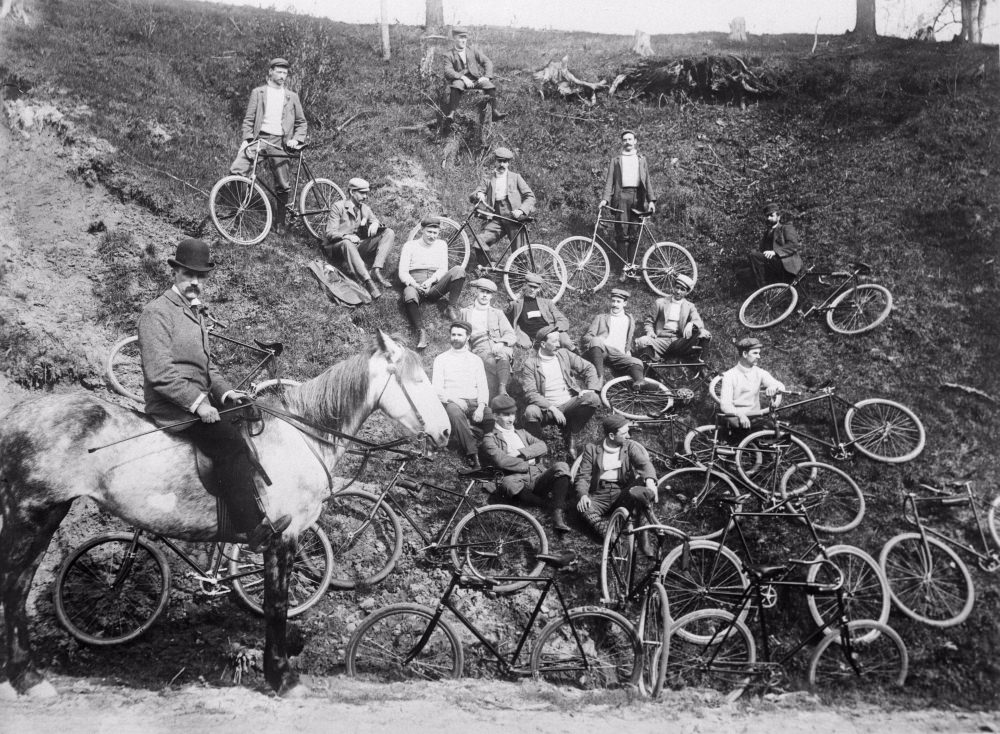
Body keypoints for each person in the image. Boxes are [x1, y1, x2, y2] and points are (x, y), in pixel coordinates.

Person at [138, 239, 291, 549]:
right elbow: (159, 374)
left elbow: (208, 369)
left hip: (198, 402)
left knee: (250, 419)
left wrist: (225, 395)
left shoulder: (195, 314)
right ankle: (250, 528)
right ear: (175, 273)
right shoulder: (157, 313)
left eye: (201, 276)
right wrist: (197, 405)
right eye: (188, 274)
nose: (195, 282)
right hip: (172, 407)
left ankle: (246, 499)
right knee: (230, 442)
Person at [229, 57, 307, 235]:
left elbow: (302, 123)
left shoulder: (292, 97)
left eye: (285, 73)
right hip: (259, 139)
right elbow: (248, 120)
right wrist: (248, 140)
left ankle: (280, 222)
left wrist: (296, 139)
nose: (282, 76)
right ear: (270, 72)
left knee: (282, 184)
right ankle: (236, 211)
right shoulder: (259, 93)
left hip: (280, 142)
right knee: (236, 170)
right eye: (279, 72)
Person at [480, 395, 571, 532]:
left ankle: (557, 515)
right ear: (495, 415)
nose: (511, 419)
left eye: (512, 414)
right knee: (508, 484)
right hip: (516, 479)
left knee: (562, 466)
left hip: (537, 475)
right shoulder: (490, 439)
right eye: (506, 415)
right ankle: (547, 505)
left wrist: (520, 453)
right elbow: (501, 461)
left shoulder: (521, 432)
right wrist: (526, 463)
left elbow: (542, 446)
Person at [518, 325, 601, 458]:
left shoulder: (564, 354)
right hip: (546, 410)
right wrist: (552, 408)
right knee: (530, 411)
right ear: (543, 344)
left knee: (593, 398)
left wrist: (590, 389)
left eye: (559, 340)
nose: (559, 344)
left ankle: (571, 433)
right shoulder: (530, 364)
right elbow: (530, 393)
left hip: (568, 404)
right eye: (555, 341)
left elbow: (589, 367)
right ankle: (537, 448)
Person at [574, 414, 658, 538]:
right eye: (624, 433)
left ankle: (643, 532)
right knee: (584, 507)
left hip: (623, 492)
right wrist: (583, 495)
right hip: (599, 494)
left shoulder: (629, 446)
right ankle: (609, 535)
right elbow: (583, 476)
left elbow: (644, 464)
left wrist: (650, 481)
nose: (628, 436)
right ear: (612, 436)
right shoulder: (591, 449)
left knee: (643, 482)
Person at [398, 216, 468, 350]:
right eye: (429, 232)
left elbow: (443, 268)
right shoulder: (410, 246)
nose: (432, 236)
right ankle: (421, 331)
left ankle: (450, 308)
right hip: (415, 282)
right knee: (408, 293)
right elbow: (403, 272)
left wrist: (431, 281)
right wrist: (414, 284)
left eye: (435, 233)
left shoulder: (441, 245)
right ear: (422, 230)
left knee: (459, 270)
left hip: (435, 284)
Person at [320, 177, 395, 299]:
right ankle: (368, 281)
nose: (365, 196)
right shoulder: (338, 207)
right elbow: (330, 233)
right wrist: (347, 236)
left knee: (389, 233)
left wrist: (375, 223)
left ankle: (376, 270)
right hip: (338, 247)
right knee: (347, 243)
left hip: (357, 246)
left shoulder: (364, 208)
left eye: (366, 193)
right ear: (351, 192)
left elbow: (374, 219)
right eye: (362, 193)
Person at [431, 321, 493, 468]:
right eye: (453, 335)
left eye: (460, 335)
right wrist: (455, 400)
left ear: (468, 337)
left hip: (474, 402)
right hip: (452, 402)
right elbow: (436, 388)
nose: (456, 338)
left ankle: (490, 450)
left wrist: (481, 406)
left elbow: (483, 386)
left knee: (489, 416)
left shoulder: (476, 360)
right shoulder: (441, 359)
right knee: (455, 413)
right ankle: (473, 455)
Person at [470, 147, 535, 264]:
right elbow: (475, 193)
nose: (502, 164)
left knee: (519, 252)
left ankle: (524, 279)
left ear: (508, 163)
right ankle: (487, 269)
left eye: (505, 162)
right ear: (495, 161)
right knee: (480, 240)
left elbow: (530, 196)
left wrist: (521, 210)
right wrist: (479, 193)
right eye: (499, 161)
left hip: (514, 218)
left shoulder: (516, 177)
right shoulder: (488, 179)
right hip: (496, 217)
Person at [599, 130, 656, 260]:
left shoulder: (641, 159)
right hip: (621, 197)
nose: (627, 142)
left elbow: (647, 181)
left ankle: (631, 265)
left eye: (630, 139)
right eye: (625, 140)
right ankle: (623, 268)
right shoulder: (616, 160)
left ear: (635, 141)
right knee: (621, 231)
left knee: (634, 232)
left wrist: (651, 200)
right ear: (622, 142)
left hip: (638, 198)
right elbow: (609, 182)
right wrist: (605, 199)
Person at [633, 273, 712, 362]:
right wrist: (650, 332)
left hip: (678, 341)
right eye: (677, 287)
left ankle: (701, 364)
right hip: (660, 340)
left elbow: (699, 322)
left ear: (686, 292)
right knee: (643, 341)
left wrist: (691, 323)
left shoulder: (689, 306)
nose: (678, 291)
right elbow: (649, 322)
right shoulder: (660, 303)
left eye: (682, 289)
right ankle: (653, 362)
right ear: (673, 287)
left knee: (704, 333)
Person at [719, 337, 786, 439]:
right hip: (736, 417)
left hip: (755, 417)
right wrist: (740, 415)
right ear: (745, 354)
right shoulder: (729, 375)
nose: (759, 356)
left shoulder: (759, 372)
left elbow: (781, 386)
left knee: (772, 431)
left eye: (759, 353)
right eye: (755, 353)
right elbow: (725, 404)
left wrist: (773, 387)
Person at [459, 278, 516, 397]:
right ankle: (502, 390)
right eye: (482, 291)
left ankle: (502, 389)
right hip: (478, 346)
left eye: (488, 293)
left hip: (497, 345)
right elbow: (460, 334)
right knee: (492, 364)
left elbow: (510, 334)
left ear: (491, 296)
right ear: (477, 292)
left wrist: (501, 343)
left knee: (503, 356)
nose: (485, 295)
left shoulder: (497, 313)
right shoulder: (465, 312)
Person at [581, 287, 645, 386]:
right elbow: (586, 337)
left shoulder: (629, 320)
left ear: (625, 304)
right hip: (603, 350)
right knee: (596, 340)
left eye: (618, 302)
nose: (615, 304)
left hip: (618, 354)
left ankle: (639, 382)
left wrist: (628, 350)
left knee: (637, 361)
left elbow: (628, 339)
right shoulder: (601, 317)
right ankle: (599, 377)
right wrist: (597, 340)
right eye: (613, 301)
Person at [442, 26, 506, 123]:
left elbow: (487, 62)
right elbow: (448, 71)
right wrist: (462, 77)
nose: (463, 40)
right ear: (454, 38)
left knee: (489, 85)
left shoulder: (472, 50)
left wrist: (486, 76)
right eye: (460, 38)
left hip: (475, 79)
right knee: (456, 85)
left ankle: (494, 112)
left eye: (465, 38)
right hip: (460, 80)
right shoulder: (448, 54)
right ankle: (452, 113)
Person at [506, 272, 575, 351]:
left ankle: (580, 359)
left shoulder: (547, 302)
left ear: (539, 289)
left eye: (535, 287)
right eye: (530, 286)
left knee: (567, 343)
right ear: (525, 285)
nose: (532, 289)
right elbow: (506, 319)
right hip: (536, 334)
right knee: (553, 345)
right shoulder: (516, 304)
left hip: (552, 329)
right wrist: (514, 298)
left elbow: (562, 319)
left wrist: (556, 331)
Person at [747, 202, 803, 288]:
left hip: (784, 263)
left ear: (778, 217)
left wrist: (775, 252)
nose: (768, 218)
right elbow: (762, 250)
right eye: (767, 216)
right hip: (772, 263)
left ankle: (764, 288)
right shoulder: (767, 233)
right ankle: (764, 289)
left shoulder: (786, 228)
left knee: (754, 255)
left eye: (771, 215)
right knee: (744, 269)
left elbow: (793, 245)